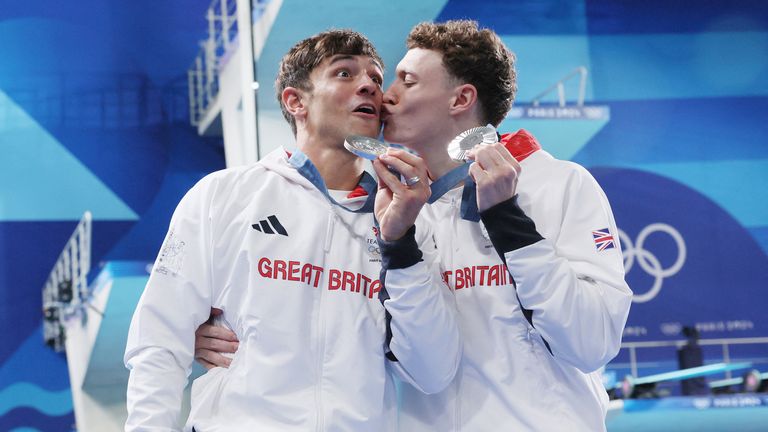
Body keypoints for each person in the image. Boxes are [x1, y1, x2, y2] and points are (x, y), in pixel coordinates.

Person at [196, 20, 632, 431]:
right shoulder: (392, 210)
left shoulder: (560, 185)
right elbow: (394, 353)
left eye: (407, 80)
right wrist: (210, 330)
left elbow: (591, 343)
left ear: (460, 100)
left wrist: (508, 223)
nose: (385, 95)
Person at [124, 29, 460, 431]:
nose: (370, 85)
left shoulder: (404, 219)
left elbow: (432, 371)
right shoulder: (223, 196)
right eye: (344, 73)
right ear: (295, 101)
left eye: (374, 76)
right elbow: (160, 340)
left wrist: (400, 243)